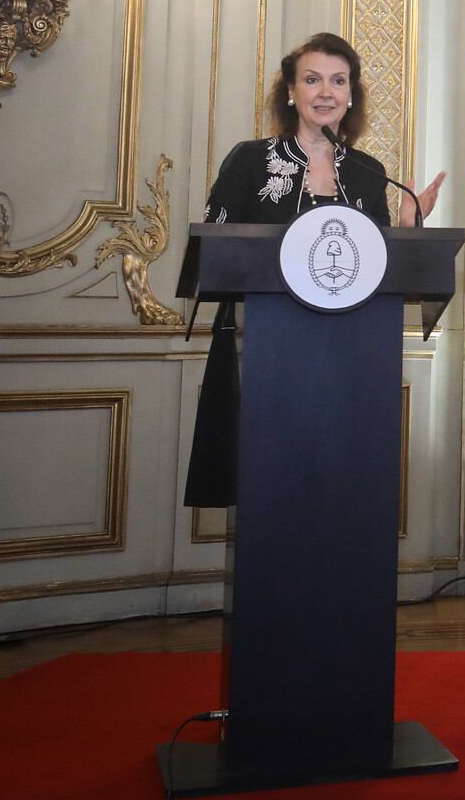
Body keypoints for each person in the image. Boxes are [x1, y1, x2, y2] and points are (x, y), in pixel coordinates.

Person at [183, 32, 446, 508]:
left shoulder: (368, 171)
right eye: (312, 79)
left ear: (350, 96)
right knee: (273, 490)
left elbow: (377, 266)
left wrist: (409, 231)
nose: (326, 91)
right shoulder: (251, 160)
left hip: (353, 356)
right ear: (291, 91)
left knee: (343, 491)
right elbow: (214, 245)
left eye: (338, 81)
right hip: (263, 346)